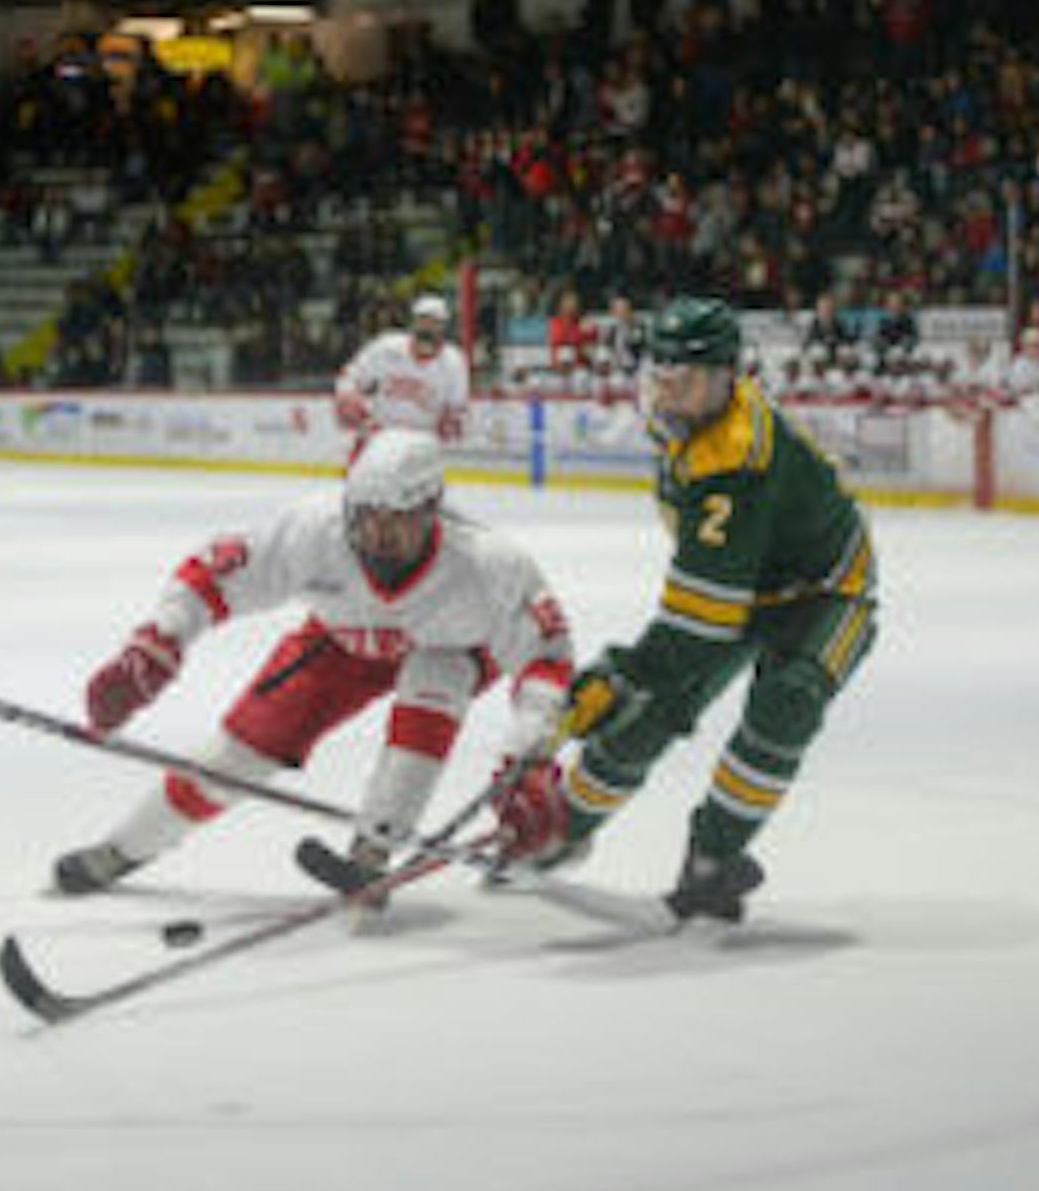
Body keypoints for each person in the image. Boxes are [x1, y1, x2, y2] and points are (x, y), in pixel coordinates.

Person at [55, 428, 573, 898]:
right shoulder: (314, 529)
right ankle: (125, 847)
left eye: (397, 522)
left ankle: (374, 849)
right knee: (238, 754)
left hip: (452, 648)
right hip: (342, 644)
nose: (379, 537)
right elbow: (211, 574)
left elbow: (546, 662)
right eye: (367, 519)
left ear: (431, 509)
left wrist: (528, 763)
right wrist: (156, 645)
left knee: (436, 679)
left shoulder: (488, 564)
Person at [494, 297, 878, 926]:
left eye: (688, 379)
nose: (670, 393)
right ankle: (564, 825)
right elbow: (702, 616)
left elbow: (699, 628)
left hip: (825, 591)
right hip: (744, 582)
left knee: (787, 701)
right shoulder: (689, 419)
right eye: (661, 376)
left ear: (729, 375)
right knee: (645, 715)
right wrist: (629, 684)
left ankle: (712, 857)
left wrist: (617, 675)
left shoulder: (736, 458)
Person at [333, 294, 470, 448]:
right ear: (413, 323)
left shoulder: (453, 362)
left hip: (423, 440)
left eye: (435, 324)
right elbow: (351, 375)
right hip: (379, 435)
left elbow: (457, 408)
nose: (428, 328)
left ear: (444, 328)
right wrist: (347, 396)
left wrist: (451, 422)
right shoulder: (387, 347)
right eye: (423, 321)